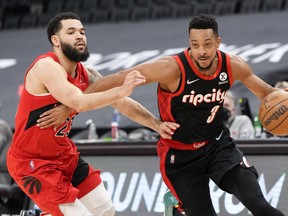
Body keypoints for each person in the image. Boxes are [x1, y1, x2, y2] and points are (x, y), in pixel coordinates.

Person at [71, 14, 286, 216]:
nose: (201, 51)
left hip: (217, 145)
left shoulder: (232, 65)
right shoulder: (171, 68)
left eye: (207, 45)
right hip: (180, 155)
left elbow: (268, 93)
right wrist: (73, 103)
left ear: (218, 42)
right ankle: (174, 206)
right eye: (195, 45)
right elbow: (120, 77)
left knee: (261, 207)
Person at [6, 12, 179, 216]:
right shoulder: (46, 67)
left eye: (82, 31)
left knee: (106, 211)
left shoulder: (86, 74)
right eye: (71, 32)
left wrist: (156, 125)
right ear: (55, 40)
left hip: (63, 154)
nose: (79, 36)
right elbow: (78, 101)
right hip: (32, 161)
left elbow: (122, 104)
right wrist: (120, 90)